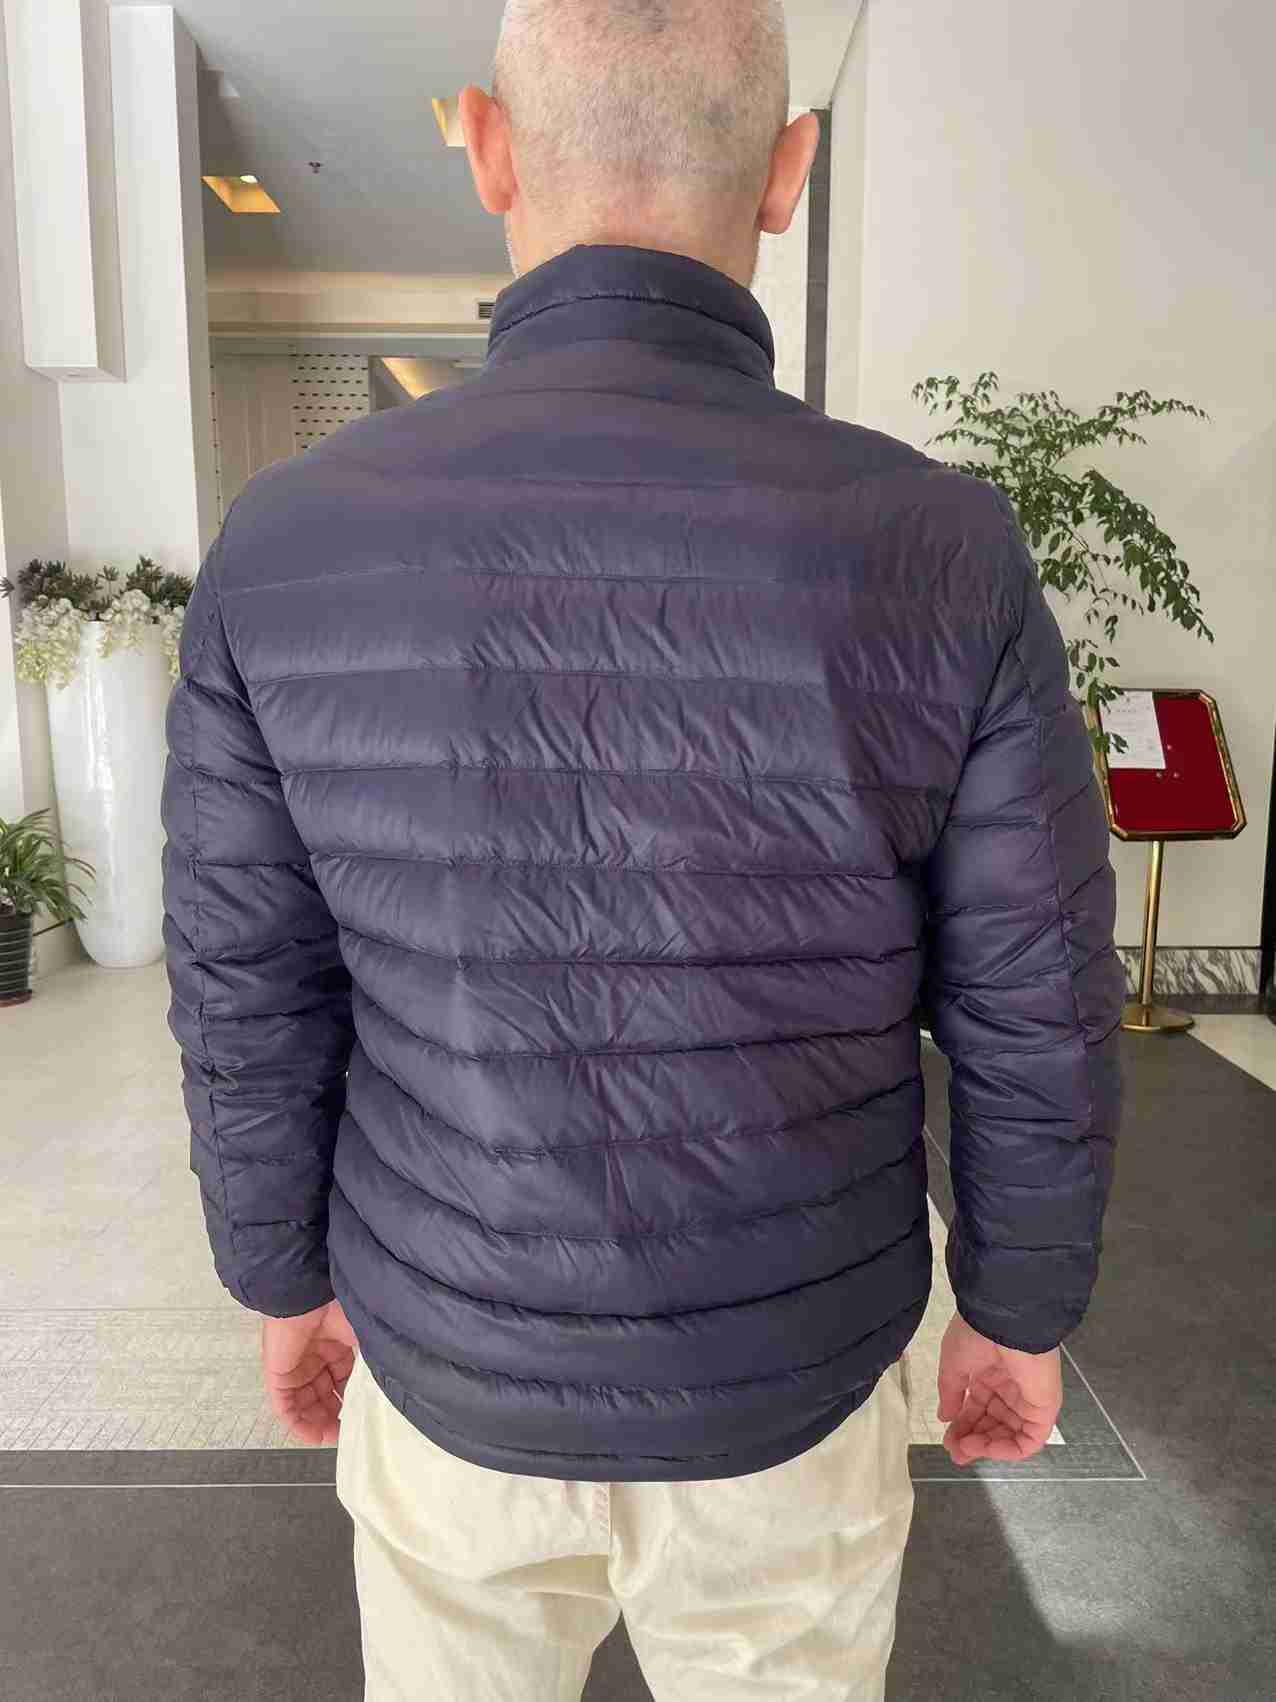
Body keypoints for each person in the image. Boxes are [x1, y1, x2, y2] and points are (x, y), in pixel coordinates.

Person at [161, 1, 1124, 1696]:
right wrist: (1016, 1308)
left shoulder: (288, 544)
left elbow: (247, 983)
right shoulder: (944, 549)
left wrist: (281, 1272)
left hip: (445, 1360)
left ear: (485, 146)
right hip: (789, 1382)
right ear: (789, 174)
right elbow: (1034, 997)